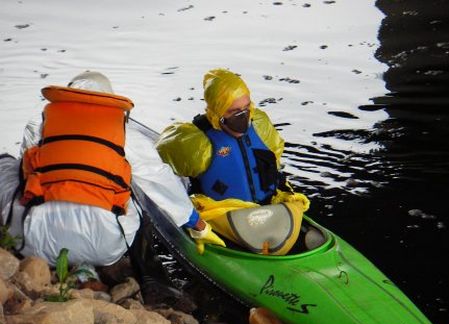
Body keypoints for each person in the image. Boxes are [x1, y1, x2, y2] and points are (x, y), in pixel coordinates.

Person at [0, 71, 223, 281]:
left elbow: (26, 176)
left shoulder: (39, 126)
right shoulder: (127, 137)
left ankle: (58, 262)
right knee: (134, 187)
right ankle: (92, 267)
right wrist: (197, 223)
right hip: (106, 246)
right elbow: (161, 182)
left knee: (7, 166)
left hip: (35, 241)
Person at [156, 68, 310, 255]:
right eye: (234, 111)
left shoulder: (259, 123)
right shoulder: (195, 142)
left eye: (246, 108)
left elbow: (274, 158)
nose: (243, 117)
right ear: (216, 112)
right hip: (225, 220)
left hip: (269, 207)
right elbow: (156, 168)